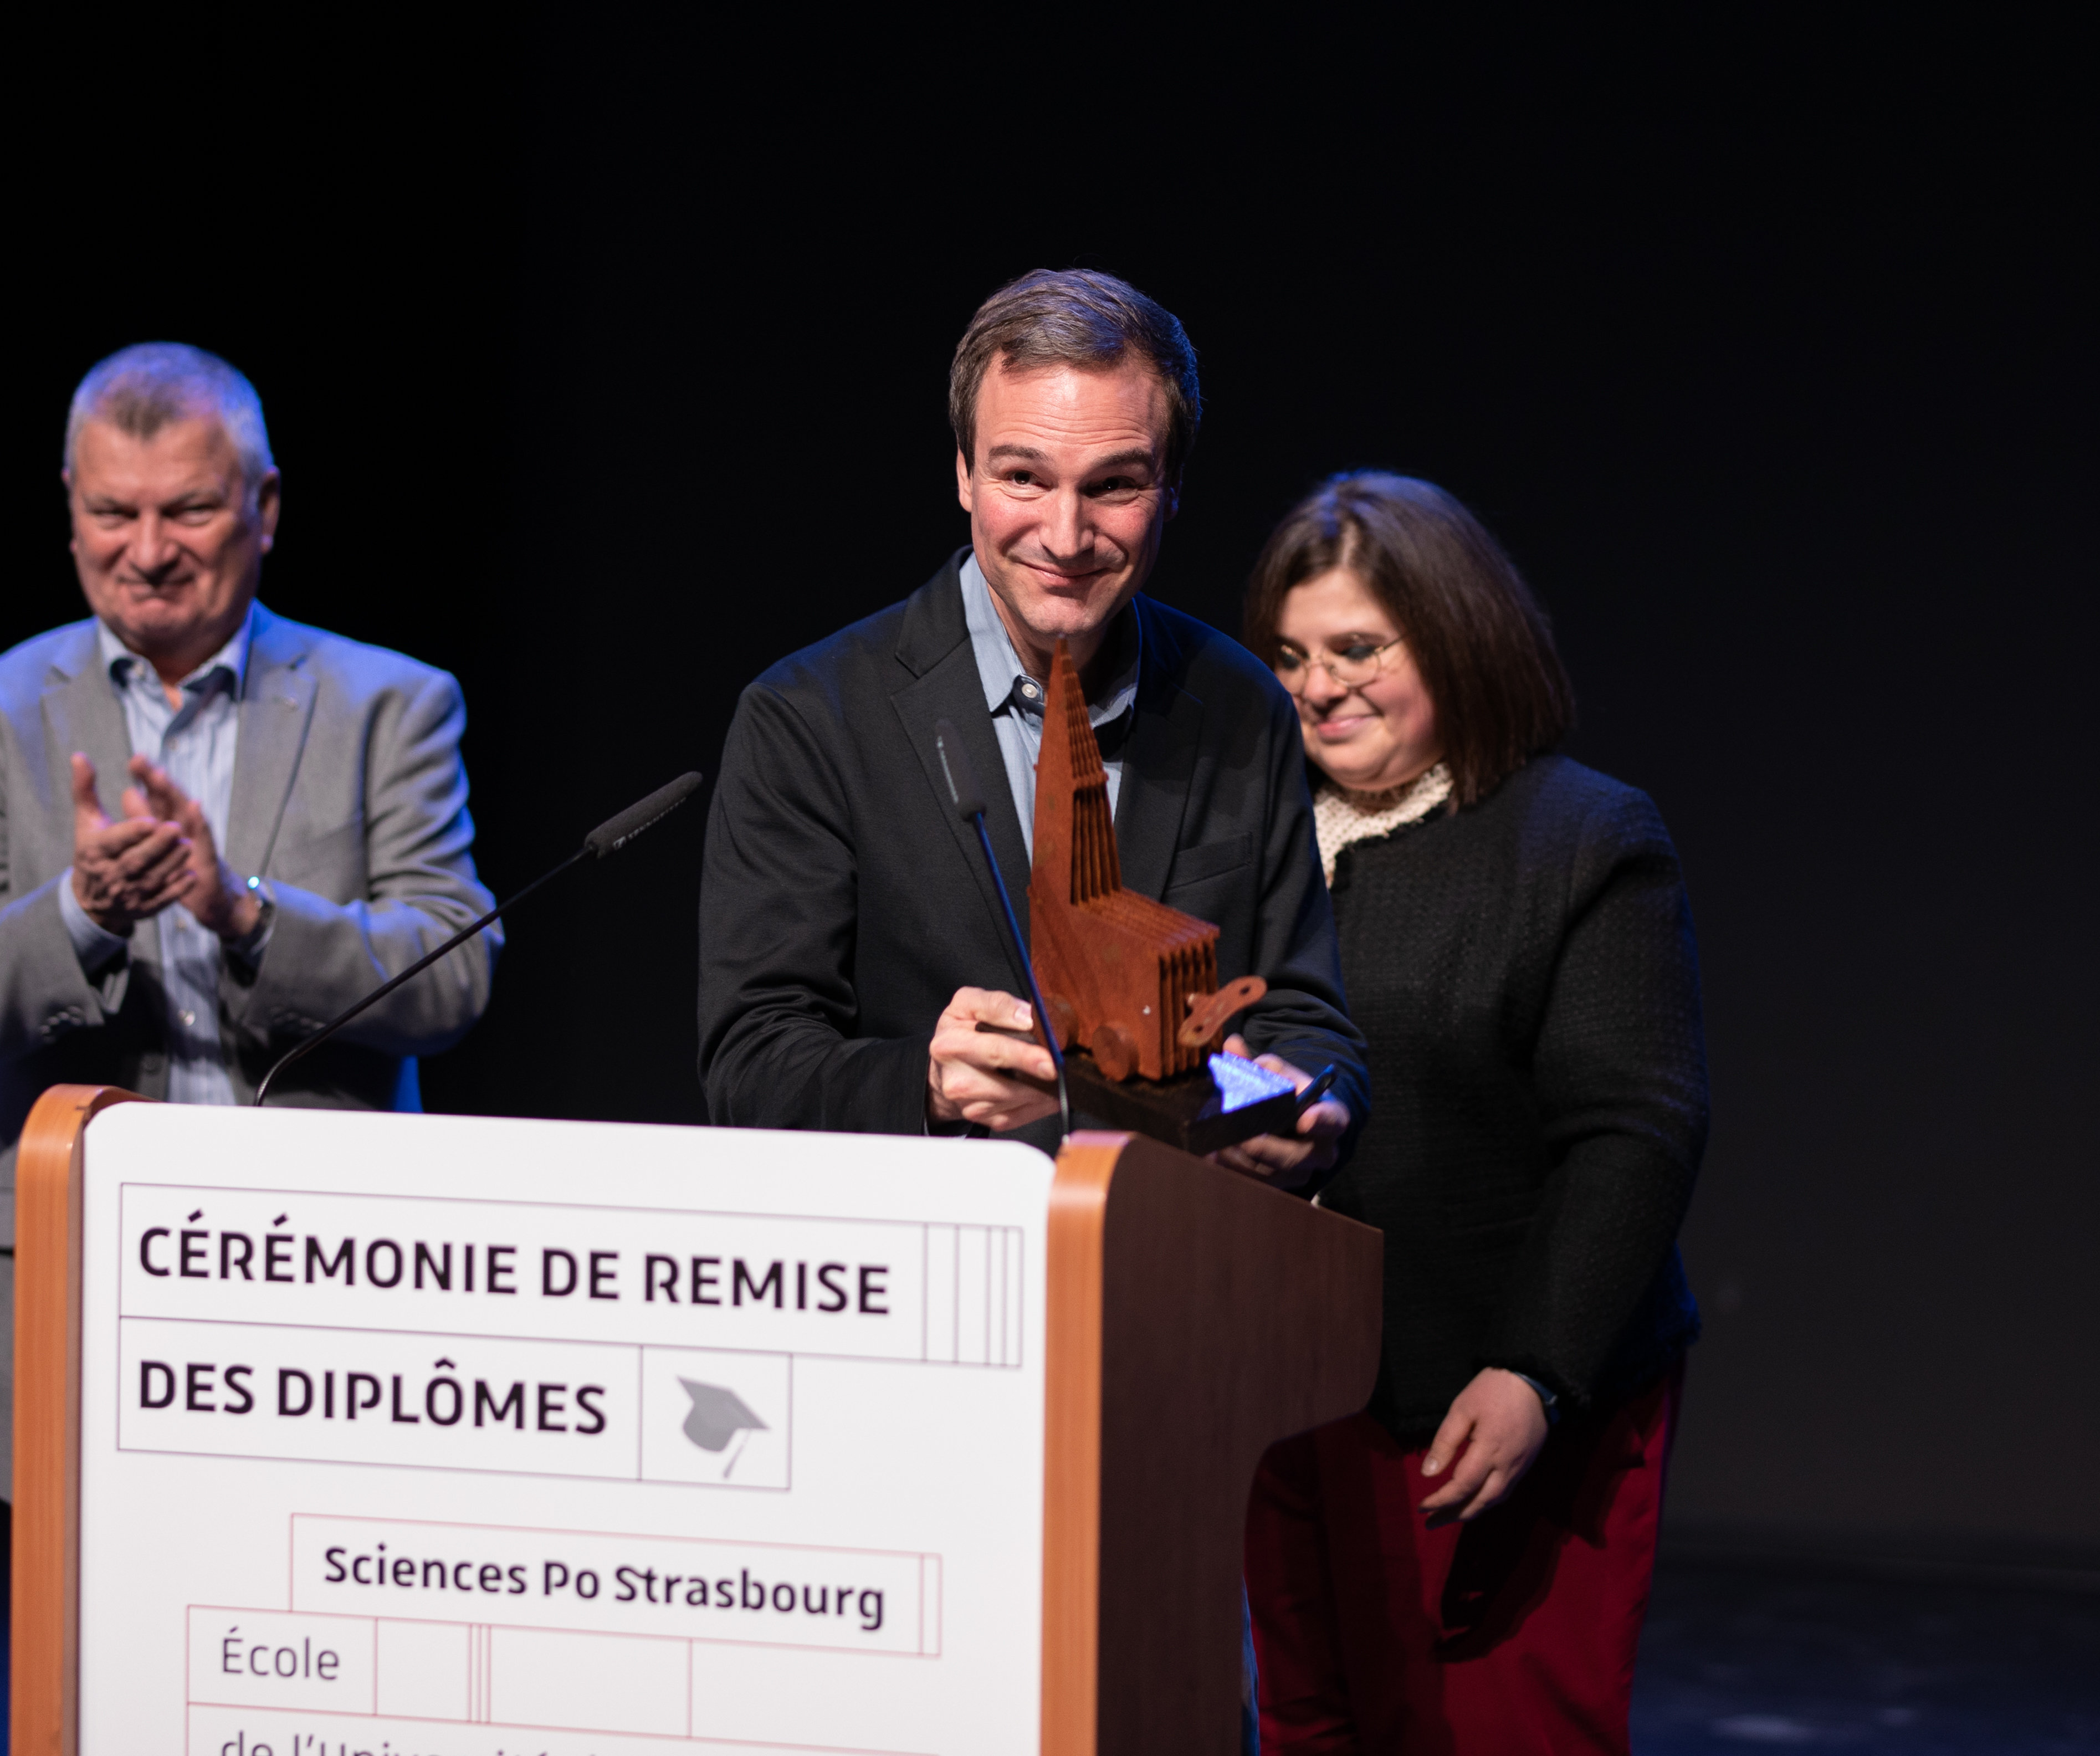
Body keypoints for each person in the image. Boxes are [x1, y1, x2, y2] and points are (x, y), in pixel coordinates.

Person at [0, 342, 501, 1498]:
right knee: (79, 1677)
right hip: (67, 1281)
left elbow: (452, 978)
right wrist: (81, 912)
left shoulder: (392, 705)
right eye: (112, 511)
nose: (148, 550)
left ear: (263, 509)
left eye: (188, 509)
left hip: (322, 1290)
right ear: (70, 509)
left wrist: (243, 913)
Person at [696, 268, 1366, 1182]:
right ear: (964, 473)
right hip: (921, 1278)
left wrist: (1316, 1096)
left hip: (1172, 1277)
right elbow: (752, 1070)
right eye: (1022, 476)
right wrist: (930, 1086)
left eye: (1114, 485)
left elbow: (1307, 1018)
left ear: (1171, 488)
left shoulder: (1241, 702)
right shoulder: (808, 717)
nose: (1064, 533)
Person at [1238, 474, 1709, 1752]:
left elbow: (1635, 1129)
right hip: (1289, 1394)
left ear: (1454, 637)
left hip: (1491, 1406)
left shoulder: (1578, 838)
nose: (1317, 686)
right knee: (1312, 1723)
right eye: (1288, 656)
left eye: (1355, 649)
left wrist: (1536, 1374)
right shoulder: (1254, 848)